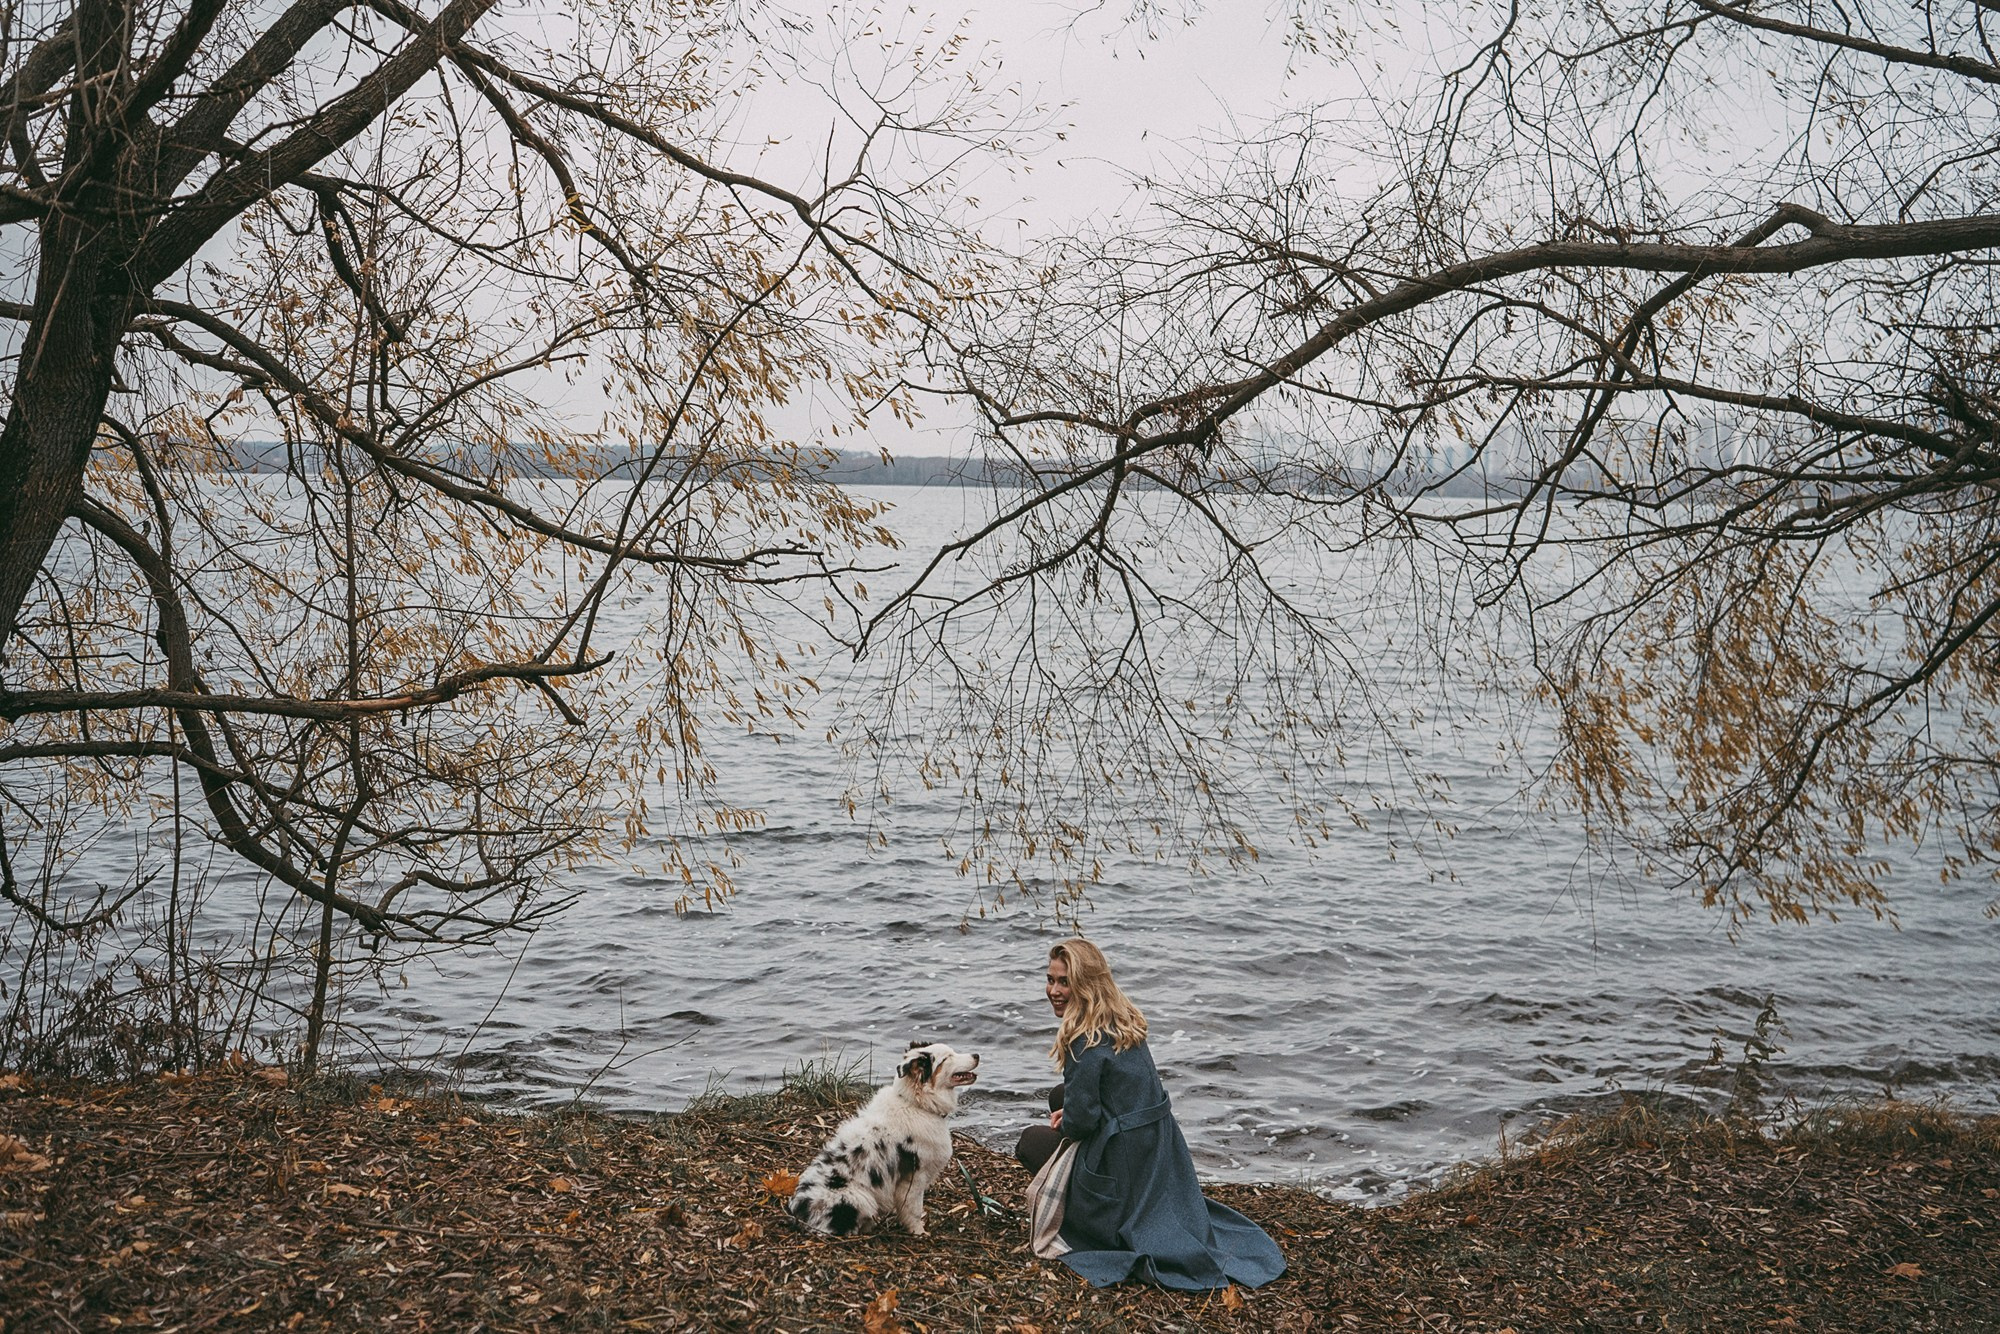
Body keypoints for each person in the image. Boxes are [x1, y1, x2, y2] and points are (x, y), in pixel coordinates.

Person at [1013, 938, 1286, 1291]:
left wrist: (1068, 1122)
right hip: (1157, 1150)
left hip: (1125, 1170)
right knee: (1059, 1096)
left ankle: (1089, 1221)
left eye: (1064, 981)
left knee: (1029, 1142)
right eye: (1051, 980)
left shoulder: (1082, 1038)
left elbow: (1082, 1123)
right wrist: (1073, 1111)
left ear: (1086, 984)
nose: (1053, 990)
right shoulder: (1123, 1019)